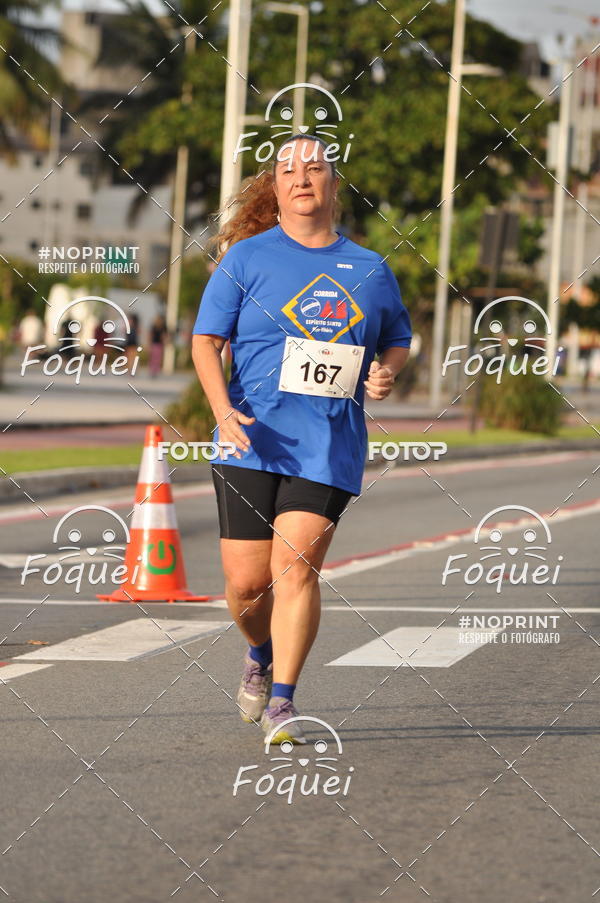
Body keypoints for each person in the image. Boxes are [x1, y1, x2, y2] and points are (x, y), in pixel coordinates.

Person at [192, 135, 411, 745]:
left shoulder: (368, 268)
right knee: (245, 584)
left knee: (295, 570)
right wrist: (221, 410)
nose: (302, 177)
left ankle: (284, 701)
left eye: (315, 167)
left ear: (334, 185)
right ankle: (258, 651)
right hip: (251, 437)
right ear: (277, 188)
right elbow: (205, 342)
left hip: (327, 441)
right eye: (288, 169)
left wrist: (386, 371)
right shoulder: (246, 259)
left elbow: (397, 336)